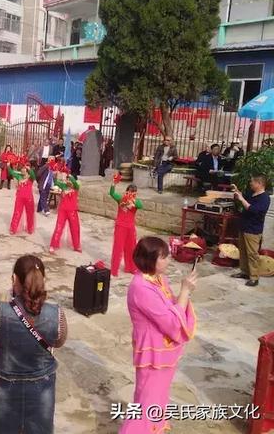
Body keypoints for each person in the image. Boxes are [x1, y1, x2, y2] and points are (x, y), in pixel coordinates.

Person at [0, 255, 67, 434]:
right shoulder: (57, 314)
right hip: (42, 386)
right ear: (43, 280)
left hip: (4, 385)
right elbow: (59, 341)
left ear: (14, 279)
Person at [120, 237, 196, 433]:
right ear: (150, 259)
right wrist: (185, 291)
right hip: (153, 354)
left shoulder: (158, 278)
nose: (168, 260)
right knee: (146, 405)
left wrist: (183, 295)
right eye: (164, 257)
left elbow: (172, 306)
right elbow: (170, 322)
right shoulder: (141, 287)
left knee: (158, 399)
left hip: (165, 350)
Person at [231, 175, 271, 287]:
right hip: (244, 226)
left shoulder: (264, 198)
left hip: (253, 230)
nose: (250, 184)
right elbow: (242, 198)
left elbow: (253, 210)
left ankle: (254, 277)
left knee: (252, 254)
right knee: (243, 251)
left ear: (259, 184)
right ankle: (244, 271)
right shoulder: (252, 194)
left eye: (253, 182)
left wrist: (242, 199)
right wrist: (237, 192)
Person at [110, 178, 143, 277]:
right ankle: (114, 270)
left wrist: (133, 201)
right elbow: (112, 193)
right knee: (118, 248)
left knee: (132, 248)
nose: (131, 193)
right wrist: (113, 184)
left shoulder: (135, 202)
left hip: (130, 227)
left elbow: (140, 205)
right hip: (120, 226)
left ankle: (131, 267)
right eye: (129, 191)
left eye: (133, 192)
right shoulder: (120, 198)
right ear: (126, 191)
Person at [49, 170, 81, 253]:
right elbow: (56, 182)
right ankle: (53, 245)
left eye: (70, 180)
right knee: (58, 227)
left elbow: (75, 183)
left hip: (72, 211)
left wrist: (70, 176)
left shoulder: (76, 188)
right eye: (67, 180)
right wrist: (55, 175)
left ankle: (76, 246)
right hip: (62, 211)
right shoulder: (63, 186)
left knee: (74, 229)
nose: (68, 181)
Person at [8, 161, 36, 235]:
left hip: (29, 199)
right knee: (17, 213)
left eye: (24, 169)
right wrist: (8, 166)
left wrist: (29, 169)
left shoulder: (31, 178)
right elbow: (11, 172)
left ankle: (30, 228)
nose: (22, 170)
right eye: (22, 169)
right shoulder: (19, 176)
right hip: (19, 198)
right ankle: (13, 229)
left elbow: (33, 175)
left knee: (29, 214)